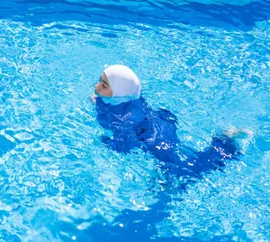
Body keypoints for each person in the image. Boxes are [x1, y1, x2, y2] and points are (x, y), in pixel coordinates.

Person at [91, 64, 250, 178]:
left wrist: (107, 143)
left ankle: (225, 143)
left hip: (154, 139)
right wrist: (100, 100)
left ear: (119, 92)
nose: (96, 86)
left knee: (187, 169)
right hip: (161, 122)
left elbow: (125, 145)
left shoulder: (123, 119)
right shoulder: (131, 98)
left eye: (103, 85)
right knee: (176, 159)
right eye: (100, 81)